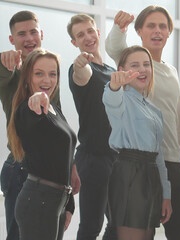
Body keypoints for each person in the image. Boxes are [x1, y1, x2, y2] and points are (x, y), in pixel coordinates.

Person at [106, 6, 180, 239]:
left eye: (163, 26)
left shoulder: (171, 71)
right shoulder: (134, 62)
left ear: (169, 32)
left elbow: (178, 118)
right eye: (151, 25)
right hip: (139, 164)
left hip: (171, 164)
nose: (157, 31)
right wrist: (118, 28)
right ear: (139, 31)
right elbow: (114, 48)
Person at [0, 11, 70, 240]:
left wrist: (72, 167)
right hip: (22, 168)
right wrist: (4, 61)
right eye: (22, 34)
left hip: (52, 177)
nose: (29, 38)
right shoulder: (11, 72)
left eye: (33, 31)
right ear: (12, 40)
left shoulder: (49, 77)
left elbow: (59, 129)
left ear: (41, 34)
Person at [103, 45, 172, 240]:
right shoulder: (121, 98)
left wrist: (166, 193)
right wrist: (114, 85)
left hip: (151, 176)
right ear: (122, 70)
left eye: (146, 64)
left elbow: (159, 155)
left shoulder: (154, 110)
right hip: (129, 175)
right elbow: (111, 99)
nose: (142, 69)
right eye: (135, 65)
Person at [67, 13, 117, 240]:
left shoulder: (110, 70)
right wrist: (80, 65)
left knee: (118, 224)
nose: (87, 37)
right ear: (74, 42)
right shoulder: (80, 69)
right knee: (91, 226)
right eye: (80, 35)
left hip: (115, 157)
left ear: (97, 33)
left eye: (90, 31)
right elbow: (81, 75)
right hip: (93, 158)